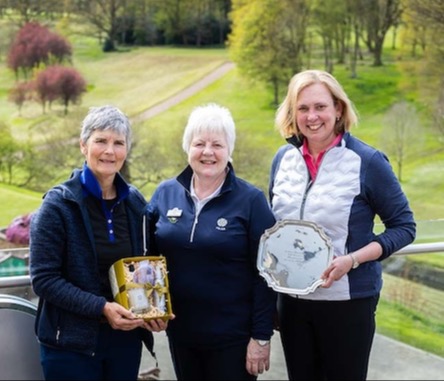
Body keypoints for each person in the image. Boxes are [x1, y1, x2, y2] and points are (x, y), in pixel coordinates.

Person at [269, 70, 416, 380]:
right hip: (292, 304)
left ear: (338, 109)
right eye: (303, 108)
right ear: (292, 113)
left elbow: (404, 227)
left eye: (320, 106)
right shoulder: (283, 159)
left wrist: (353, 259)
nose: (312, 116)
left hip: (347, 302)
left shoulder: (368, 161)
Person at [29, 105, 168, 380]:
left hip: (124, 342)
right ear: (83, 146)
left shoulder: (136, 204)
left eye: (118, 143)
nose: (109, 151)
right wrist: (101, 307)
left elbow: (145, 268)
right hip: (70, 346)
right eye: (101, 140)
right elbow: (44, 279)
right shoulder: (57, 206)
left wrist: (154, 309)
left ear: (126, 150)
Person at [147, 103, 277, 380]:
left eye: (217, 144)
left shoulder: (251, 201)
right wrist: (151, 309)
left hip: (234, 339)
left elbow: (266, 275)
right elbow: (148, 260)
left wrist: (261, 337)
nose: (208, 152)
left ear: (229, 150)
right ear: (187, 148)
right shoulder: (164, 193)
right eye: (200, 143)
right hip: (181, 334)